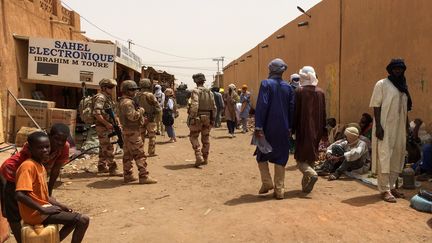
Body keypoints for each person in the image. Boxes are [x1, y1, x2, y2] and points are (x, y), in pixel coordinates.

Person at [0, 124, 70, 243]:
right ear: (49, 136)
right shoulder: (34, 145)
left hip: (29, 176)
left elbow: (56, 170)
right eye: (56, 139)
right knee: (12, 212)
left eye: (62, 141)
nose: (59, 143)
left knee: (35, 204)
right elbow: (26, 168)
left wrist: (49, 193)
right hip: (11, 173)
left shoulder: (64, 147)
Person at [15, 131, 89, 243]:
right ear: (30, 149)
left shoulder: (40, 165)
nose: (45, 150)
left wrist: (60, 205)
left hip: (41, 210)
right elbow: (19, 194)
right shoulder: (28, 166)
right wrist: (42, 209)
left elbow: (42, 196)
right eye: (40, 148)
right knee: (83, 220)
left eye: (47, 147)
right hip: (34, 214)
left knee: (74, 219)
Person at [370, 58, 411, 203]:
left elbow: (405, 109)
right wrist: (379, 127)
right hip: (385, 126)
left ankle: (393, 186)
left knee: (397, 155)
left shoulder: (403, 86)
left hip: (399, 127)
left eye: (400, 69)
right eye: (395, 69)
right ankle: (385, 189)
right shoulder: (382, 84)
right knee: (385, 155)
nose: (398, 71)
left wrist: (406, 126)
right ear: (390, 70)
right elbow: (376, 105)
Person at [254, 58, 295, 199]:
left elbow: (262, 105)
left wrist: (258, 126)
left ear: (271, 69)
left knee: (261, 154)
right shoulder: (288, 87)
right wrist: (290, 127)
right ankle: (279, 190)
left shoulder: (266, 84)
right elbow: (291, 109)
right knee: (281, 156)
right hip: (283, 128)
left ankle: (266, 182)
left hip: (267, 127)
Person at [293, 66, 326, 194]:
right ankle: (305, 187)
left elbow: (296, 113)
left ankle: (312, 174)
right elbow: (323, 113)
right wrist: (323, 130)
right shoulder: (321, 92)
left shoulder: (299, 91)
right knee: (311, 157)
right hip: (317, 129)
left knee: (300, 160)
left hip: (303, 129)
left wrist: (293, 129)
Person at [118, 80, 157, 184]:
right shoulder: (128, 103)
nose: (135, 92)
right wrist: (141, 111)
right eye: (132, 90)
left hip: (127, 131)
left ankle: (128, 175)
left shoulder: (123, 101)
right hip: (132, 131)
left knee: (127, 155)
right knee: (140, 154)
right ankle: (144, 176)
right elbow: (132, 116)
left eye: (135, 89)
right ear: (127, 90)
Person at [93, 78, 121, 175]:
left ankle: (102, 166)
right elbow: (96, 113)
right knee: (108, 148)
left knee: (103, 147)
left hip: (107, 126)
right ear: (104, 88)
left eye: (113, 87)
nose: (112, 89)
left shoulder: (107, 97)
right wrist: (106, 123)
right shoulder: (101, 97)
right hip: (103, 126)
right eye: (110, 87)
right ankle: (112, 169)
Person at [187, 73, 217, 167]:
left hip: (198, 117)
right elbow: (214, 107)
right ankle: (205, 158)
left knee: (193, 136)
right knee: (206, 138)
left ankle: (198, 154)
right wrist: (213, 118)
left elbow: (195, 104)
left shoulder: (195, 91)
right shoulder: (210, 92)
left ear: (195, 81)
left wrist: (192, 116)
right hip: (208, 118)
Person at [135, 78, 161, 157]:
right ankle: (151, 152)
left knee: (141, 136)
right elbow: (157, 107)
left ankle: (140, 152)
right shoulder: (150, 95)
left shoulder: (136, 95)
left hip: (140, 118)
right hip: (150, 118)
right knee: (152, 136)